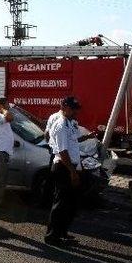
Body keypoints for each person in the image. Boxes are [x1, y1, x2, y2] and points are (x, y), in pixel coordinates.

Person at [44, 96, 83, 246]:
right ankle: (52, 236)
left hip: (70, 166)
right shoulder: (60, 125)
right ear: (64, 107)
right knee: (60, 204)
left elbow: (73, 147)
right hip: (63, 167)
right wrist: (72, 172)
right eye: (73, 109)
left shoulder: (70, 123)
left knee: (70, 204)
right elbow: (63, 151)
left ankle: (62, 232)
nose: (75, 112)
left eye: (76, 109)